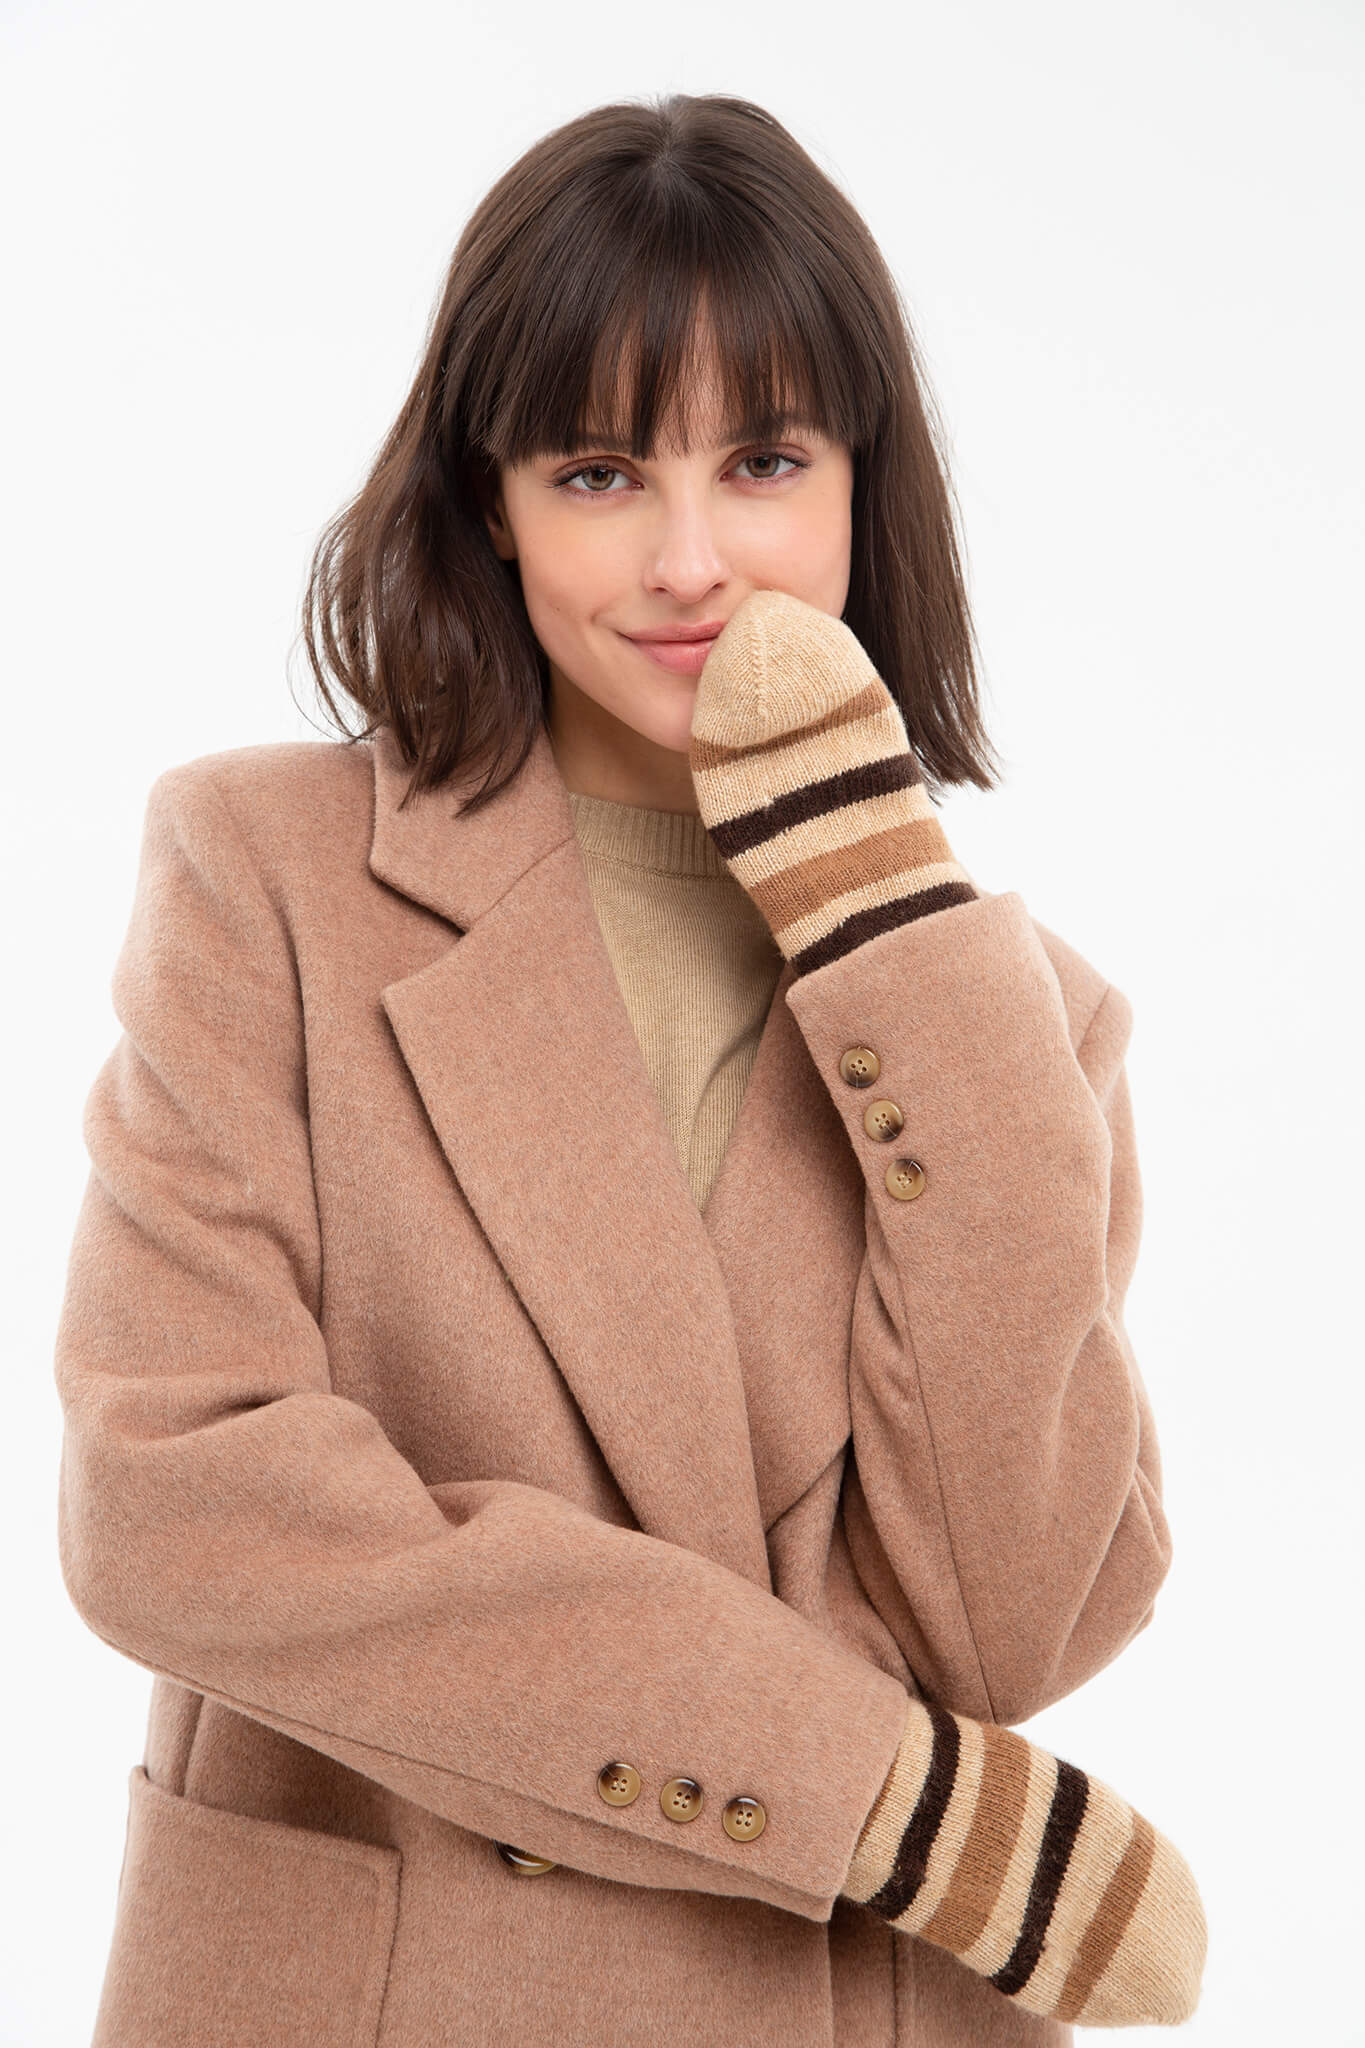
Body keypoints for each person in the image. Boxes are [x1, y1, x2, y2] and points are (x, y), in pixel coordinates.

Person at [53, 91, 1206, 2047]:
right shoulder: (268, 875)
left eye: (762, 461)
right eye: (597, 471)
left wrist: (889, 936)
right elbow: (178, 1503)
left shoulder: (1010, 1017)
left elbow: (1012, 1619)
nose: (689, 560)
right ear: (488, 501)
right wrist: (880, 1804)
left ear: (859, 491)